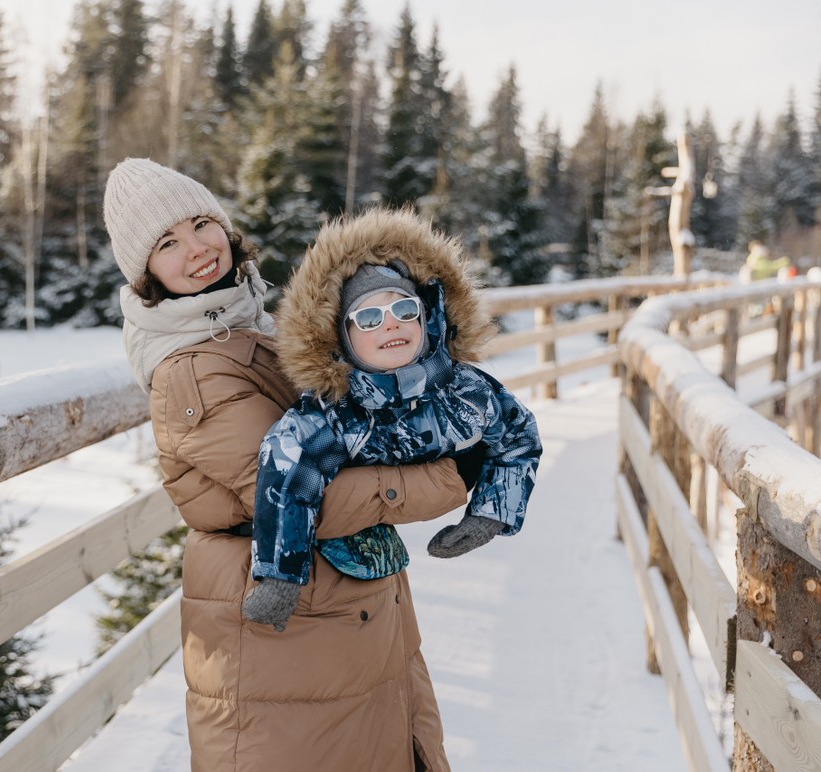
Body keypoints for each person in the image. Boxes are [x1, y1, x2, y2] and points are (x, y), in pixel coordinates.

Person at [103, 158, 472, 771]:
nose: (196, 249)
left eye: (202, 225)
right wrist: (449, 476)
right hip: (290, 634)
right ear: (145, 273)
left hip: (344, 615)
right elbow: (295, 496)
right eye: (167, 243)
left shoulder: (257, 329)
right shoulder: (192, 369)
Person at [241, 208, 542, 632]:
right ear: (342, 337)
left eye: (403, 309)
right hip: (340, 565)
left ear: (427, 318)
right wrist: (281, 576)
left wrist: (489, 515)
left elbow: (517, 437)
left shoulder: (467, 392)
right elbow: (287, 476)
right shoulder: (333, 415)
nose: (390, 325)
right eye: (368, 317)